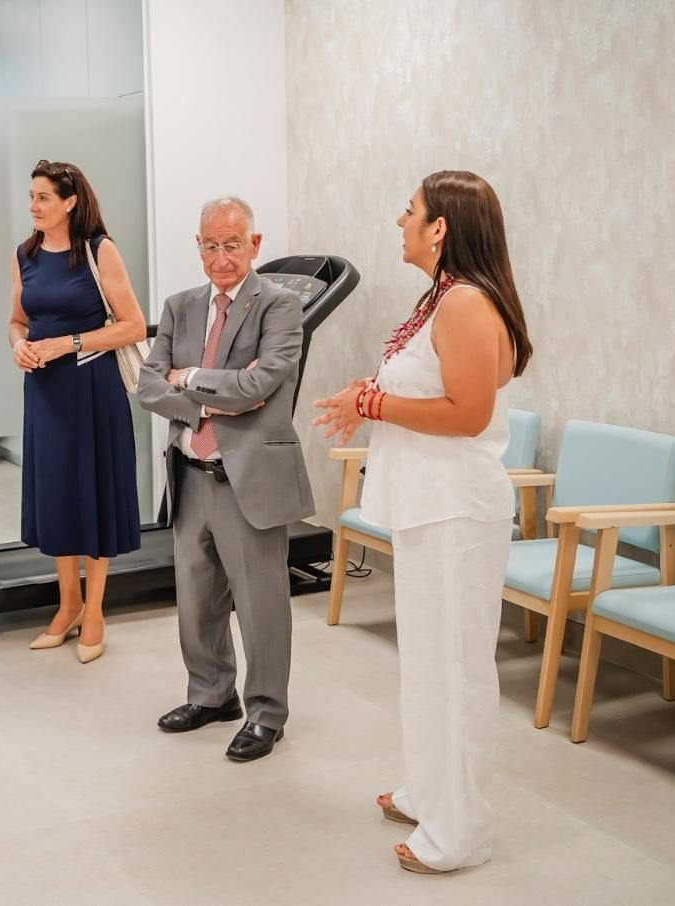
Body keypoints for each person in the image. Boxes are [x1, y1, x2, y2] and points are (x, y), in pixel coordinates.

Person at [313, 170, 533, 876]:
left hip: (458, 511)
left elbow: (466, 414)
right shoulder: (442, 298)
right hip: (428, 507)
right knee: (428, 665)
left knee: (458, 671)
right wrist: (365, 394)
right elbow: (425, 389)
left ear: (440, 228)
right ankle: (431, 793)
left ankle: (461, 830)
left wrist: (370, 406)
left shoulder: (466, 303)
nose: (399, 220)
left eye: (409, 212)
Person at [137, 197, 313, 764]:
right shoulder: (180, 306)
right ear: (198, 246)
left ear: (254, 245)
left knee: (260, 604)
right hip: (190, 473)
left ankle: (266, 713)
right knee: (196, 600)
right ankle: (212, 695)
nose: (220, 257)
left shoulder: (280, 307)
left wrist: (188, 379)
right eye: (210, 245)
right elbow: (147, 384)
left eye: (232, 244)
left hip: (249, 479)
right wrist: (203, 405)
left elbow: (258, 385)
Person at [8, 160, 145, 664]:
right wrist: (19, 344)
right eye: (31, 196)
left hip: (92, 387)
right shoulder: (25, 254)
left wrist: (68, 343)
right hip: (45, 392)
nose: (34, 205)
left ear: (69, 201)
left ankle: (95, 610)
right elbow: (17, 320)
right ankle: (66, 606)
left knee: (93, 492)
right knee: (57, 495)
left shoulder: (98, 250)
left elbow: (133, 325)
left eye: (43, 197)